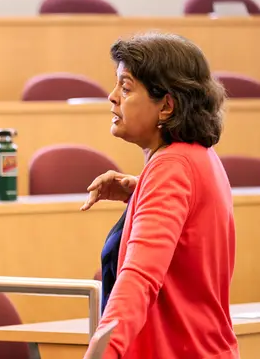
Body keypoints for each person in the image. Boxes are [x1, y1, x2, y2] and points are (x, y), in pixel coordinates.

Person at [80, 32, 238, 359]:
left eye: (125, 87)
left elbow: (139, 278)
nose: (112, 97)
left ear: (166, 105)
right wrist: (140, 192)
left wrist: (102, 353)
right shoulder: (198, 156)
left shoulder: (171, 169)